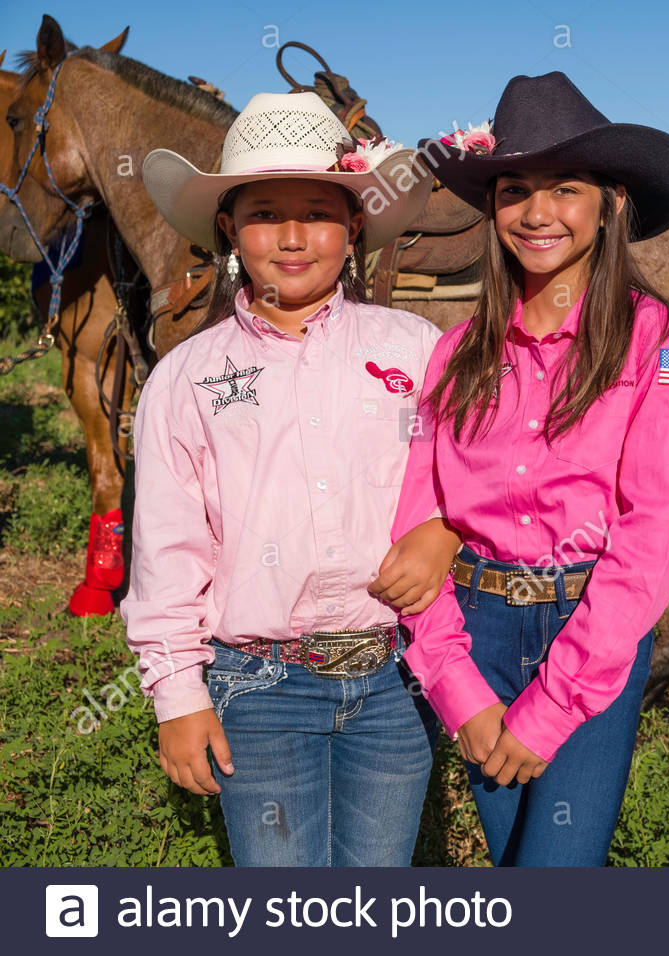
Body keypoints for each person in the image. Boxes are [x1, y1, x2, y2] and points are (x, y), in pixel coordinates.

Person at [121, 91, 461, 866]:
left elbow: (465, 475)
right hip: (258, 685)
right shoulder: (187, 379)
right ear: (230, 230)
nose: (295, 236)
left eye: (319, 211)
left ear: (355, 229)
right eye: (267, 212)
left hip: (394, 682)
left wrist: (443, 529)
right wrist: (178, 696)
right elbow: (167, 549)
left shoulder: (416, 350)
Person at [392, 71, 669, 866]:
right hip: (477, 631)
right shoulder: (456, 356)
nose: (537, 214)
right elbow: (414, 526)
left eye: (565, 188)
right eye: (515, 189)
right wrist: (460, 694)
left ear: (612, 203)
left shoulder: (655, 341)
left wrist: (551, 708)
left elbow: (652, 540)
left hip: (592, 628)